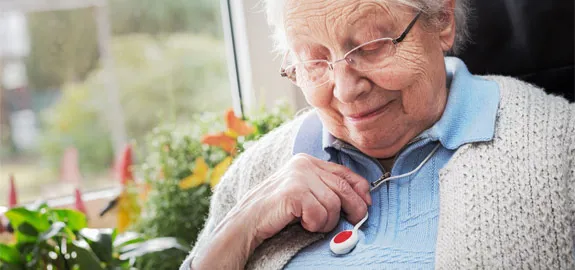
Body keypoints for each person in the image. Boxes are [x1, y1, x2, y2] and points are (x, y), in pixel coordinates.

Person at [181, 0, 575, 269]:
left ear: (442, 20)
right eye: (314, 60)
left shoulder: (560, 147)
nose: (345, 89)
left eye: (371, 46)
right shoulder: (258, 171)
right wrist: (242, 228)